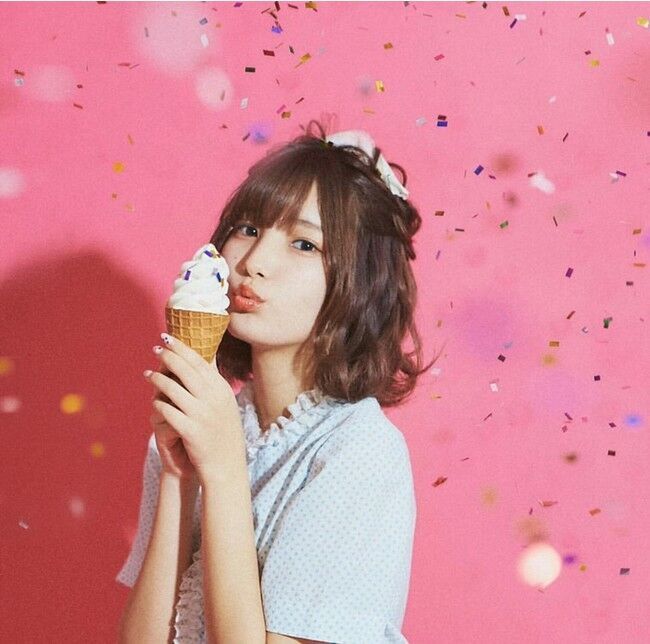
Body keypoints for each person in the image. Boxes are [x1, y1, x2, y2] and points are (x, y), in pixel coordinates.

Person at [115, 119, 444, 643]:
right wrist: (179, 477)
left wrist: (223, 471)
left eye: (304, 244)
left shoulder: (358, 452)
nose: (254, 263)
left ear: (359, 282)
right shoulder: (206, 426)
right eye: (248, 229)